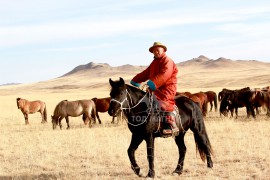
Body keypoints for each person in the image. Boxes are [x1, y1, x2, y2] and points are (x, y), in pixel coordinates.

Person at [130, 42, 179, 135]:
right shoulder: (154, 62)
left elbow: (165, 74)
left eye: (157, 50)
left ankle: (172, 126)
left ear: (163, 50)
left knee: (164, 103)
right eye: (154, 51)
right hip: (156, 88)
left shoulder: (167, 60)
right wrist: (136, 80)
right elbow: (146, 73)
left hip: (167, 88)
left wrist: (151, 84)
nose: (156, 52)